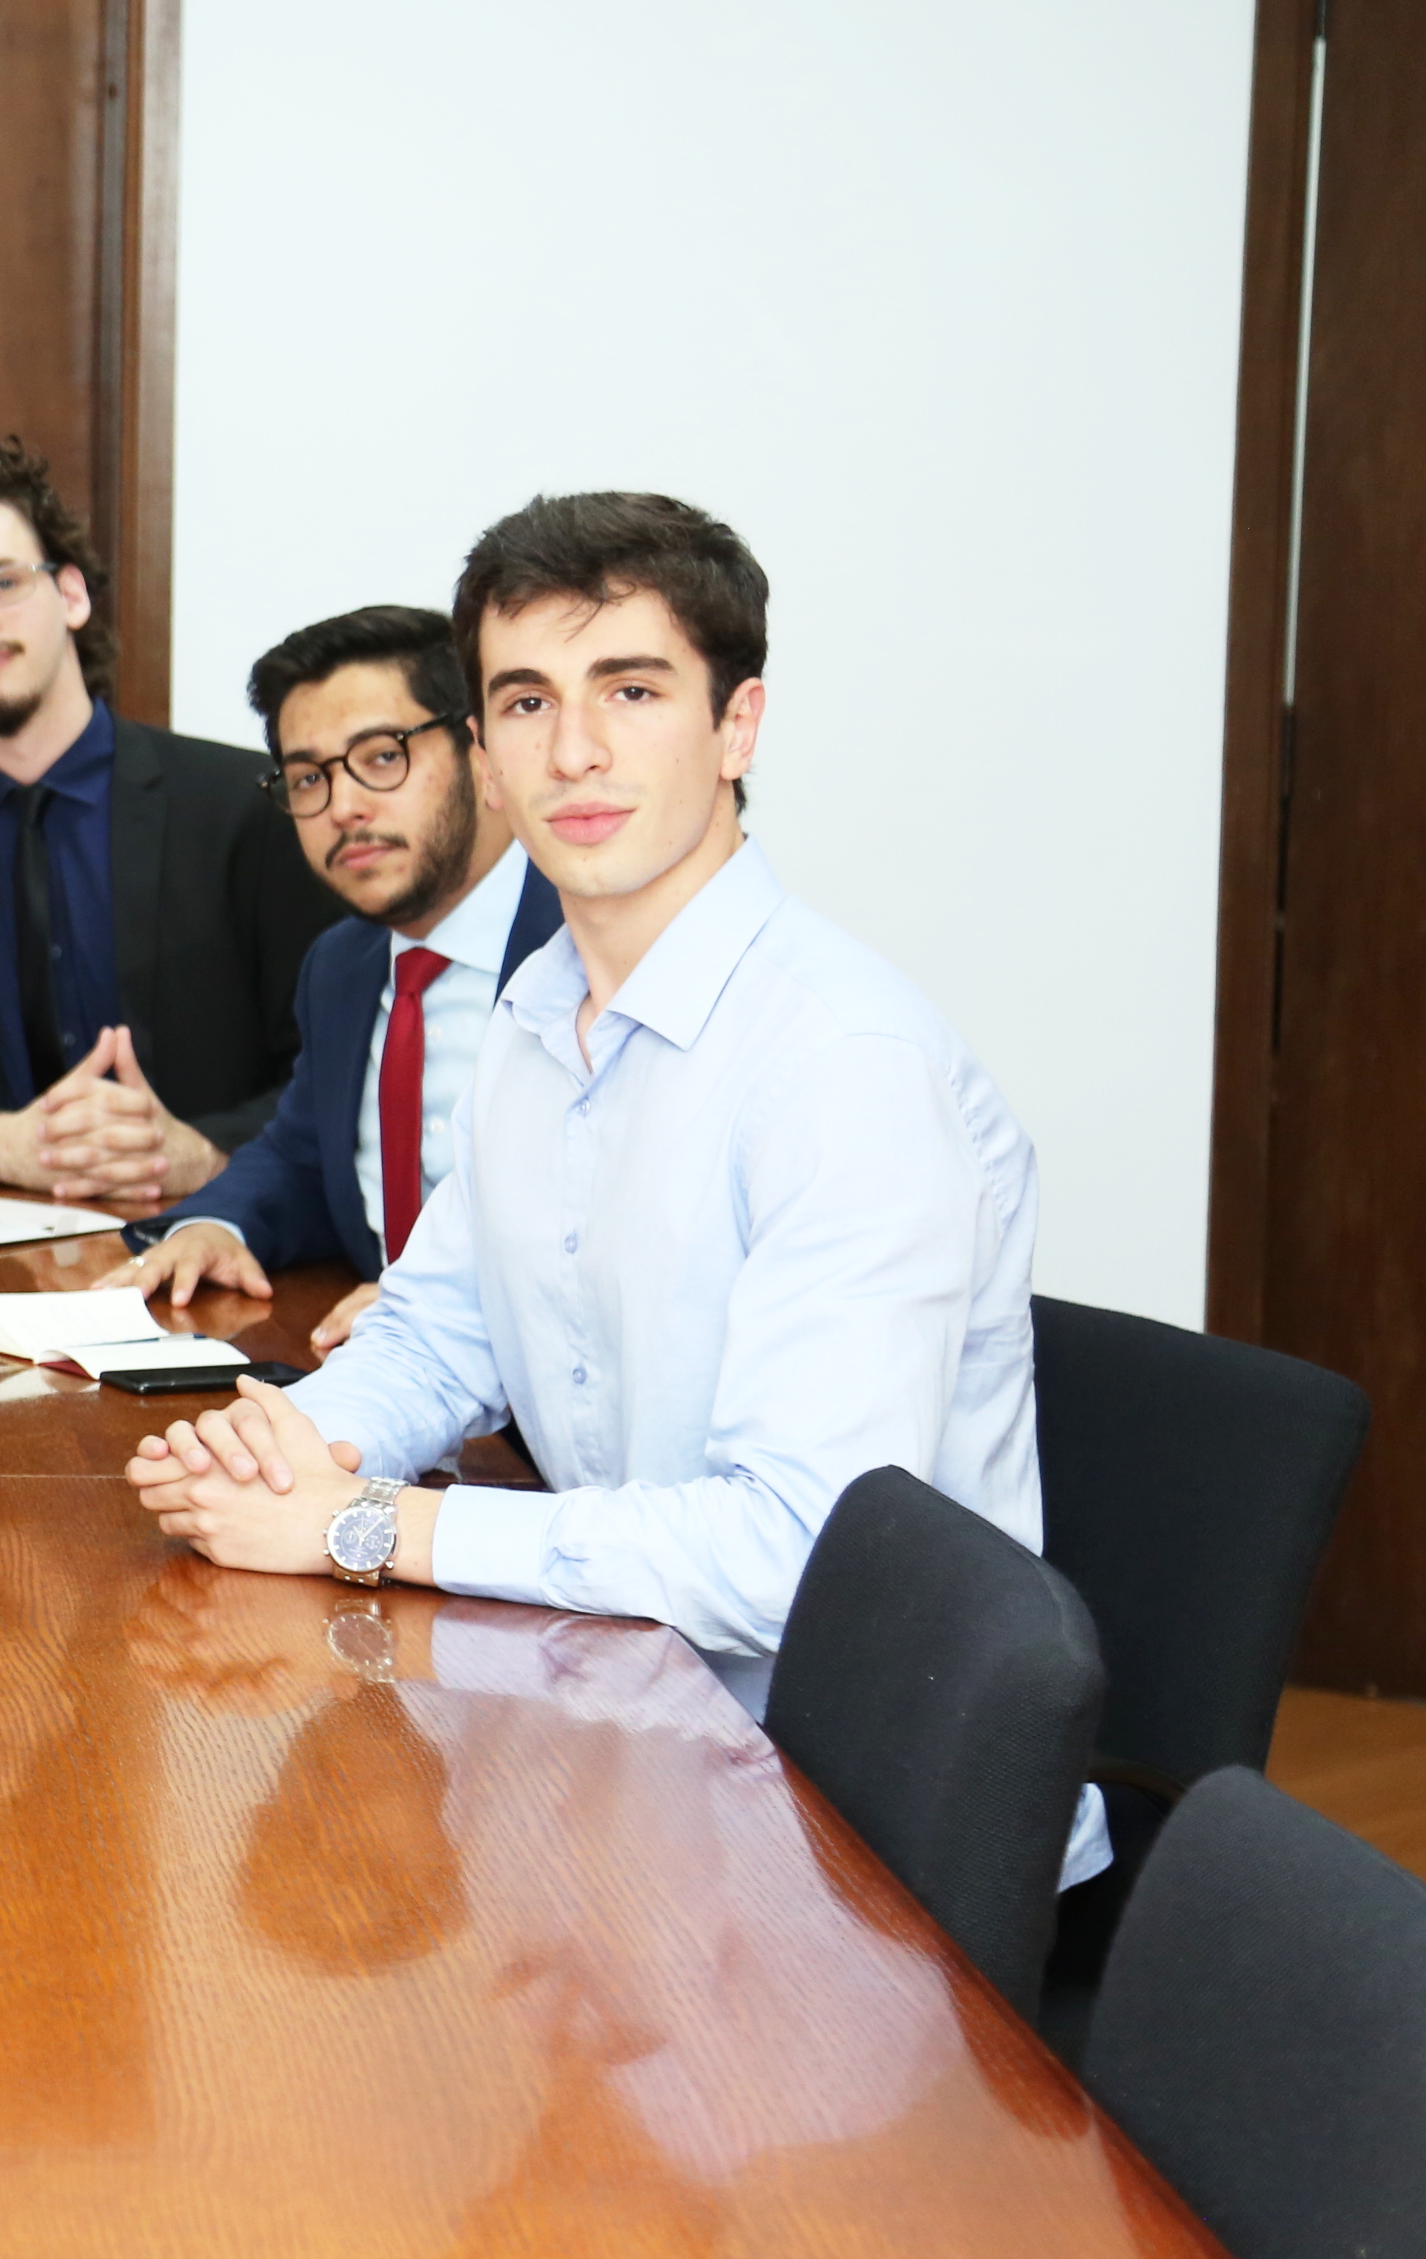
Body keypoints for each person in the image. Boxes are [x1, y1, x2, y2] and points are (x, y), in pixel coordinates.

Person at [124, 492, 1097, 1879]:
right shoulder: (537, 1013)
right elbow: (436, 1326)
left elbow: (790, 1548)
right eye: (526, 700)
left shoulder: (844, 1064)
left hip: (846, 1820)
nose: (573, 747)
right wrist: (293, 1445)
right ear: (487, 749)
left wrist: (361, 1521)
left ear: (737, 725)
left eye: (630, 688)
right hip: (616, 1727)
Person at [0, 436, 339, 1206]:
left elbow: (337, 1064)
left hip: (211, 1241)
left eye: (2, 581)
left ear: (72, 596)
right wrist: (0, 1143)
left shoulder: (243, 803)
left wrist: (200, 1152)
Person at [121, 605, 564, 1348]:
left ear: (481, 752)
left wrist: (443, 1301)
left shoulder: (589, 945)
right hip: (363, 1375)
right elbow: (302, 1157)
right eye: (307, 778)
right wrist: (210, 1225)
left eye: (382, 756)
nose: (344, 807)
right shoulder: (341, 964)